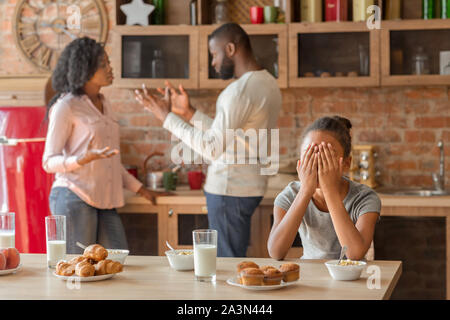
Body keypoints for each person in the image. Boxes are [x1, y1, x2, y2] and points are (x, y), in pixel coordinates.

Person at [134, 23, 282, 257]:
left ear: (231, 49)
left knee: (226, 263)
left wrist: (166, 117)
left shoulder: (238, 92)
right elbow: (230, 135)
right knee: (232, 260)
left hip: (228, 191)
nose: (213, 63)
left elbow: (212, 148)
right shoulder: (268, 83)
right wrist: (189, 112)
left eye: (214, 54)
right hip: (249, 188)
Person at [43, 37, 163, 254]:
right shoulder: (66, 106)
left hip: (105, 200)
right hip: (74, 196)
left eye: (109, 63)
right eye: (103, 64)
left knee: (117, 262)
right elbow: (48, 162)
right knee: (79, 270)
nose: (110, 68)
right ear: (85, 69)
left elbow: (109, 159)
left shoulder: (104, 103)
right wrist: (81, 159)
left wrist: (142, 190)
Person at [268, 116, 381, 260]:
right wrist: (305, 191)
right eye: (310, 155)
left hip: (353, 277)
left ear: (346, 163)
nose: (318, 163)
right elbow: (276, 252)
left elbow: (354, 254)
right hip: (310, 275)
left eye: (327, 156)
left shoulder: (365, 198)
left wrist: (329, 191)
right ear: (300, 164)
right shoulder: (290, 195)